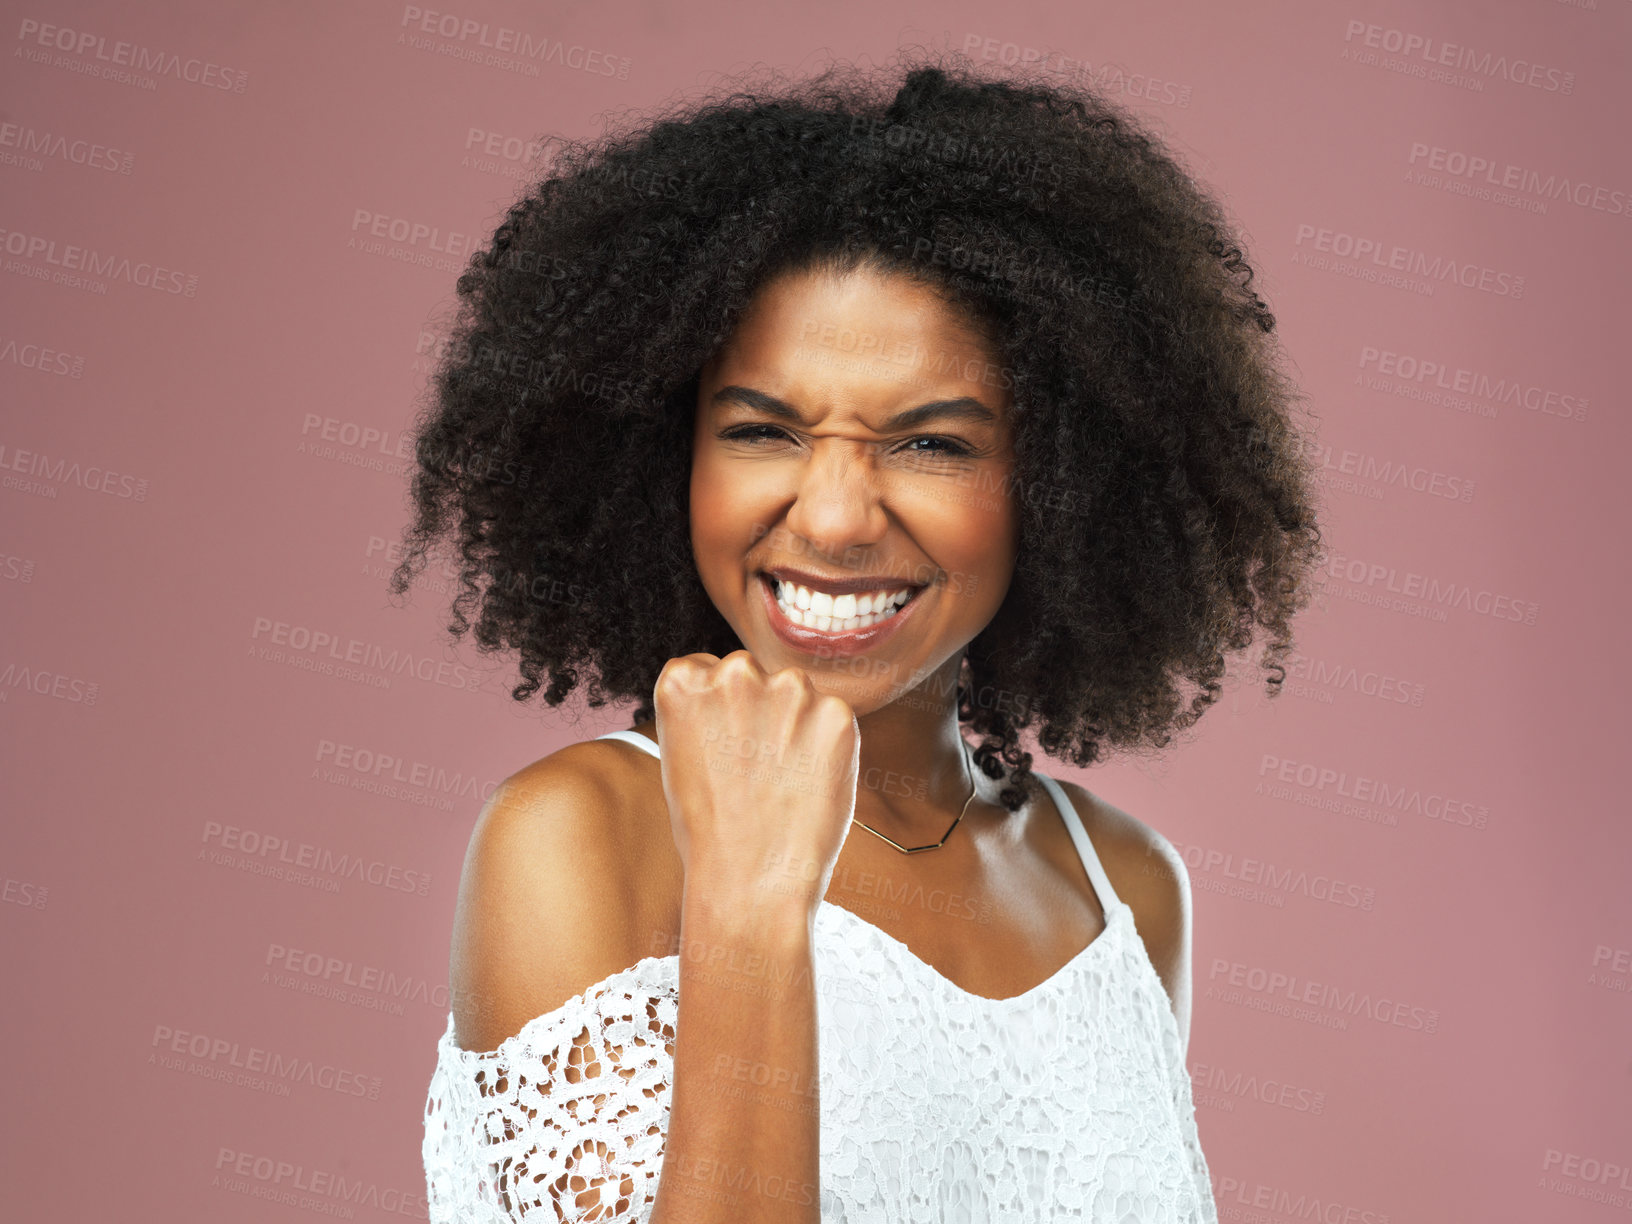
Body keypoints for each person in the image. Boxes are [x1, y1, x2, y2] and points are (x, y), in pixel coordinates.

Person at [393, 50, 1324, 1224]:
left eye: (931, 443)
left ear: (1066, 481)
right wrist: (746, 905)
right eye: (763, 430)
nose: (832, 519)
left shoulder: (1126, 891)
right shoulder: (580, 840)